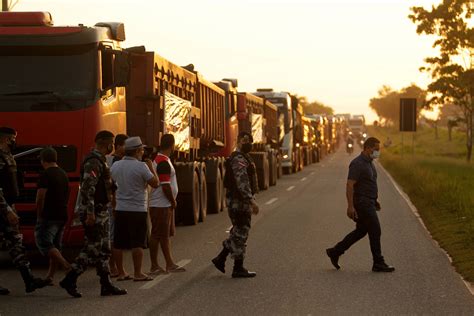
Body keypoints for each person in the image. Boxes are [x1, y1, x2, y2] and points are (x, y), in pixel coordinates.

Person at [60, 130, 127, 298]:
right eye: (111, 142)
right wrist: (90, 213)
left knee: (104, 249)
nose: (113, 145)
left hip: (101, 210)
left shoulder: (101, 160)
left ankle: (106, 285)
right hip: (94, 211)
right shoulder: (93, 161)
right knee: (92, 248)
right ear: (105, 143)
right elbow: (88, 190)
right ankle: (70, 278)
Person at [326, 137, 395, 273]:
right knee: (375, 229)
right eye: (376, 149)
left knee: (361, 231)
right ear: (368, 148)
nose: (378, 152)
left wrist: (375, 200)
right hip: (362, 203)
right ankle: (378, 262)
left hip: (368, 201)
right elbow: (350, 185)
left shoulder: (370, 163)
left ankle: (335, 251)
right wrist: (350, 206)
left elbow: (369, 183)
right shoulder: (357, 164)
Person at [0, 127, 48, 295]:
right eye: (13, 138)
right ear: (6, 139)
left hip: (7, 206)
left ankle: (29, 281)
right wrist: (7, 210)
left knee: (16, 244)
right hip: (2, 208)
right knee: (14, 242)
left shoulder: (7, 157)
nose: (15, 141)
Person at [110, 136, 159, 281]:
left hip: (120, 208)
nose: (143, 152)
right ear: (137, 150)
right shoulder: (141, 166)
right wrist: (151, 167)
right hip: (137, 209)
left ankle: (121, 272)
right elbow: (155, 183)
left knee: (118, 242)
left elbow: (111, 185)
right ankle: (138, 272)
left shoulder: (116, 166)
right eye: (142, 149)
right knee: (137, 242)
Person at [212, 131, 260, 278]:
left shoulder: (243, 157)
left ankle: (221, 258)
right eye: (245, 141)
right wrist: (251, 201)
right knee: (241, 232)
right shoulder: (238, 159)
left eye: (250, 141)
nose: (248, 144)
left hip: (239, 201)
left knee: (238, 232)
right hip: (239, 202)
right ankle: (237, 268)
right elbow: (242, 181)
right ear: (238, 141)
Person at [149, 134, 185, 274]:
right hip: (161, 204)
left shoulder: (163, 160)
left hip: (163, 204)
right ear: (173, 145)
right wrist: (172, 200)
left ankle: (169, 263)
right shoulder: (163, 162)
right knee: (157, 234)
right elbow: (165, 185)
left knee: (164, 235)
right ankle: (154, 265)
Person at [35, 147, 71, 285]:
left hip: (48, 215)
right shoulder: (63, 173)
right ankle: (50, 276)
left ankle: (66, 266)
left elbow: (40, 197)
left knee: (44, 242)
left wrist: (39, 214)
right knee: (55, 245)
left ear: (43, 160)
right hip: (62, 214)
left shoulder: (45, 174)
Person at [106, 134, 128, 278]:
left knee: (113, 236)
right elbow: (112, 185)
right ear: (119, 146)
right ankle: (113, 268)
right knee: (113, 237)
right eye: (125, 145)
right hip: (113, 203)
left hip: (115, 202)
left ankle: (113, 267)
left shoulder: (110, 160)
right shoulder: (116, 161)